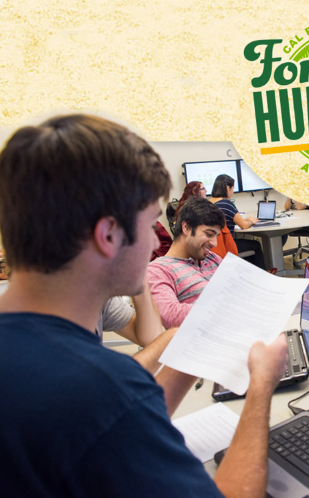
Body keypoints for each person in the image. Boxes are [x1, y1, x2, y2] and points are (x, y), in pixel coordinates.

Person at [0, 114, 288, 496]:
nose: (155, 245)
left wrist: (187, 347)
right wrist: (261, 390)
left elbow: (125, 415)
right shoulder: (96, 389)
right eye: (150, 226)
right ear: (108, 235)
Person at [147, 197, 226, 328]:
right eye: (209, 234)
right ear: (186, 227)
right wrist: (227, 307)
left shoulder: (212, 258)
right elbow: (170, 316)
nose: (214, 243)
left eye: (216, 236)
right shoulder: (158, 270)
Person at [209, 174, 266, 269]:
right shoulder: (226, 203)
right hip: (225, 245)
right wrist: (251, 221)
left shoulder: (208, 203)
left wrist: (246, 219)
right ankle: (263, 274)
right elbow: (243, 225)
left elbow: (228, 219)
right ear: (228, 188)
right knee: (256, 245)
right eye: (233, 189)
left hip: (213, 246)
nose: (233, 192)